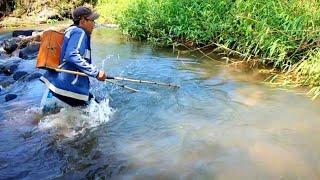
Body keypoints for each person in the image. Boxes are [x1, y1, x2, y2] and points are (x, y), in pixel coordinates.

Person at [40, 6, 106, 107]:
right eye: (92, 21)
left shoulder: (70, 31)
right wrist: (96, 73)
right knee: (100, 110)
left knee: (94, 104)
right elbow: (72, 55)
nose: (94, 24)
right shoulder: (80, 32)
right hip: (68, 87)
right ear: (83, 21)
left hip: (57, 83)